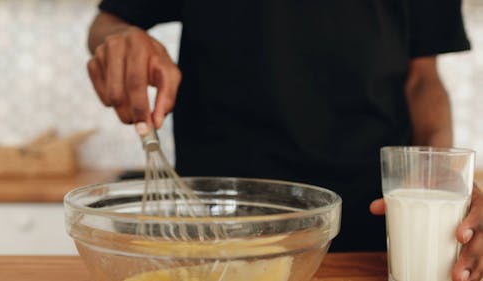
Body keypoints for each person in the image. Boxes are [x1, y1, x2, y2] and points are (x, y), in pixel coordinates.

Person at [86, 1, 483, 280]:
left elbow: (423, 79)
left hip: (370, 231)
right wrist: (122, 39)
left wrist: (443, 184)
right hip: (217, 226)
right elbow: (108, 21)